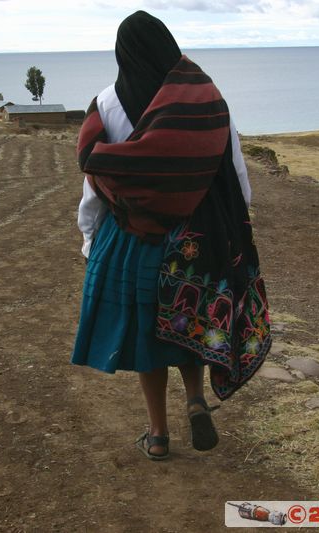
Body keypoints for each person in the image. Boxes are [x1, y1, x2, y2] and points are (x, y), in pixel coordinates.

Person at [73, 11, 272, 461]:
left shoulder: (106, 103)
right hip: (195, 239)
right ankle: (196, 400)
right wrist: (233, 229)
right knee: (188, 322)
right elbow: (235, 172)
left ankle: (158, 435)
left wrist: (89, 236)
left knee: (148, 340)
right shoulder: (205, 98)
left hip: (131, 241)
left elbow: (96, 180)